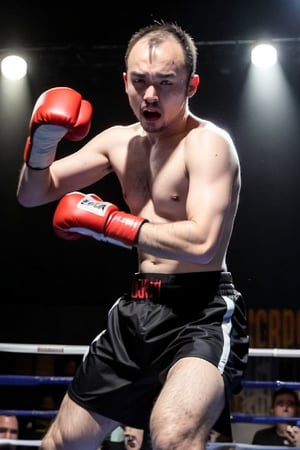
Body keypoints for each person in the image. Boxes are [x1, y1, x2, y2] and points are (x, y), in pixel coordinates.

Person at [16, 21, 249, 450]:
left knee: (174, 434)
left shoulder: (209, 144)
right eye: (140, 81)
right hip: (137, 310)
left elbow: (204, 244)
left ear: (191, 85)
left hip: (198, 310)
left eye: (166, 83)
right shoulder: (118, 142)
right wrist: (42, 143)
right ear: (125, 81)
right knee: (60, 444)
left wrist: (110, 225)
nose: (151, 95)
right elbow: (33, 194)